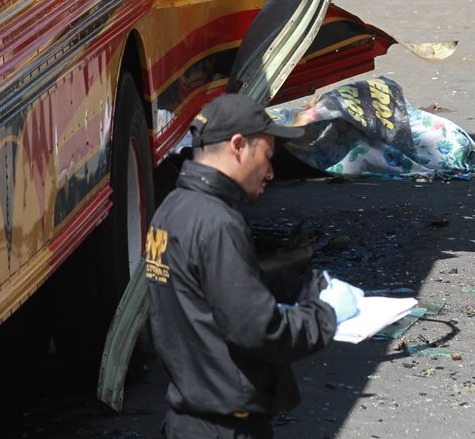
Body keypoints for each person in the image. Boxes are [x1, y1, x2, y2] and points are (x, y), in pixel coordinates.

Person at [146, 93, 364, 438]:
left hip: (188, 419)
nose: (272, 171)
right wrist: (326, 316)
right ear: (238, 146)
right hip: (225, 427)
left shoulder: (173, 210)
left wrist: (307, 287)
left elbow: (226, 286)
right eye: (267, 155)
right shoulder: (217, 224)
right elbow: (259, 328)